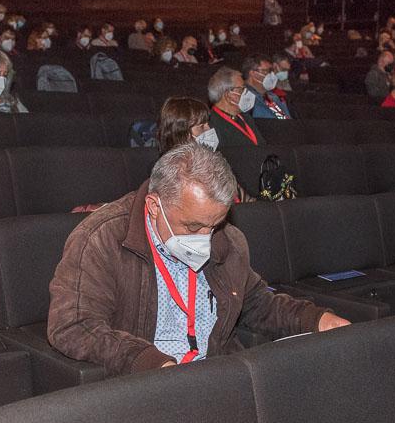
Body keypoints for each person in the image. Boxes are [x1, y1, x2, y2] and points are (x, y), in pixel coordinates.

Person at [47, 142, 348, 374]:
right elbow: (73, 325)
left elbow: (257, 302)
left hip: (216, 374)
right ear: (154, 206)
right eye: (192, 226)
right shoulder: (102, 238)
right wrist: (148, 361)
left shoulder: (228, 239)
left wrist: (316, 319)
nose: (205, 236)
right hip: (145, 383)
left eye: (214, 224)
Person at [206, 67, 264, 147]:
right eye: (241, 89)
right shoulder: (211, 124)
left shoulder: (246, 118)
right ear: (228, 94)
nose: (246, 93)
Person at [242, 55, 291, 120]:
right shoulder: (244, 97)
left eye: (270, 71)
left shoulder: (273, 96)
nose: (270, 74)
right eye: (266, 71)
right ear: (252, 73)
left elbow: (288, 120)